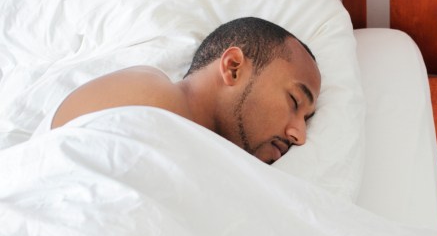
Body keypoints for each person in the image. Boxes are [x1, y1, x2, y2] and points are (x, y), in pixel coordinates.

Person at [51, 17, 321, 165]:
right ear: (234, 68)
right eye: (294, 101)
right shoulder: (149, 89)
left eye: (307, 120)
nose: (299, 135)